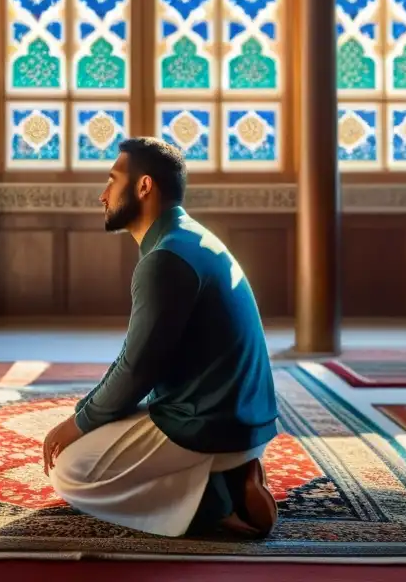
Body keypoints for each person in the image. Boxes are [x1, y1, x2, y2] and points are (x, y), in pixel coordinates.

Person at [41, 136, 280, 539]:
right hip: (240, 417)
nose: (102, 195)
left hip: (211, 423)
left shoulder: (165, 259)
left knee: (70, 470)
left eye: (112, 181)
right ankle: (229, 470)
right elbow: (136, 359)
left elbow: (136, 371)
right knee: (99, 427)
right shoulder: (188, 238)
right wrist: (87, 413)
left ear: (144, 186)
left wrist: (77, 423)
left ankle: (214, 503)